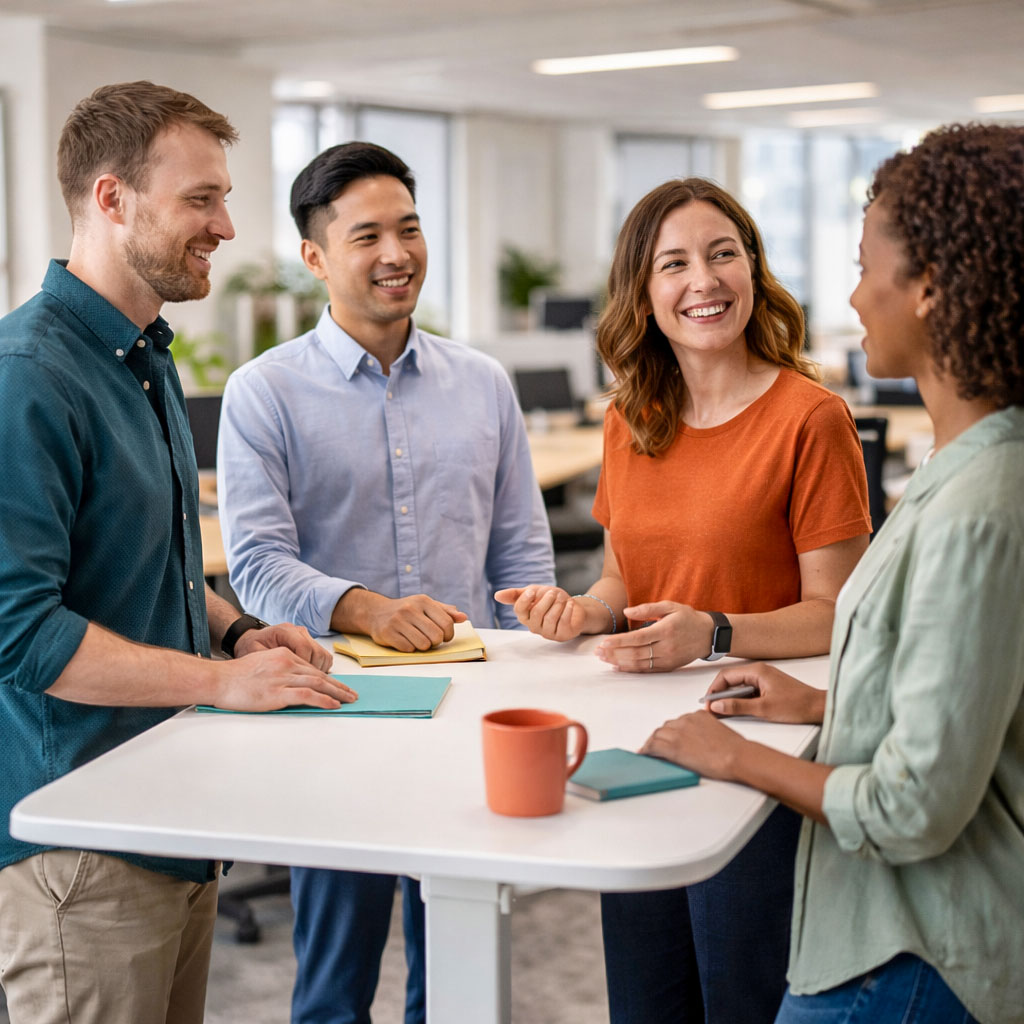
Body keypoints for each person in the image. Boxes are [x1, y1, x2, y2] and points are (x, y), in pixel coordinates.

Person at [641, 123, 1024, 1024]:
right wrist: (823, 701)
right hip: (889, 933)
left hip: (915, 949)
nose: (852, 297)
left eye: (864, 267)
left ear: (929, 288)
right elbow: (966, 692)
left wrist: (733, 755)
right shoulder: (959, 469)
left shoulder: (979, 507)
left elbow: (909, 807)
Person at [0, 82, 356, 1024]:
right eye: (201, 199)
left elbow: (158, 568)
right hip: (79, 852)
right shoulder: (27, 377)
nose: (227, 226)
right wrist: (215, 681)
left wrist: (237, 635)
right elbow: (21, 636)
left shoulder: (146, 357)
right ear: (112, 199)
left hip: (170, 817)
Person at [497, 178, 872, 1022]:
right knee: (646, 997)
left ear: (753, 269)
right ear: (645, 292)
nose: (703, 281)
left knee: (740, 992)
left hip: (755, 743)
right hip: (643, 738)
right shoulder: (631, 419)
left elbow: (839, 614)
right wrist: (587, 611)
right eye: (675, 263)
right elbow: (628, 579)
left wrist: (716, 633)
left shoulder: (810, 419)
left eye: (722, 254)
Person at [217, 141, 554, 1024]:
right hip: (338, 708)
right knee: (334, 982)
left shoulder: (483, 384)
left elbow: (521, 557)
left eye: (409, 228)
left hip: (471, 702)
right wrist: (362, 606)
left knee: (460, 966)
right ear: (317, 258)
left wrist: (543, 655)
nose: (396, 252)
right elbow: (253, 564)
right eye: (367, 235)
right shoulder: (265, 393)